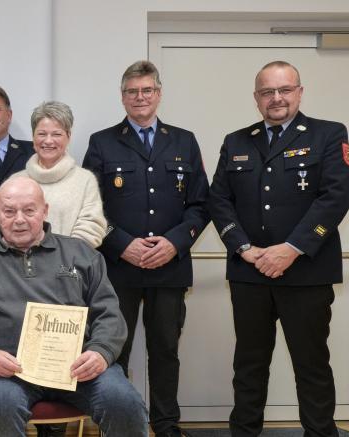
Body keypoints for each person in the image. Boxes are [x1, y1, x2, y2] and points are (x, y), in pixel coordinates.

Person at [208, 60, 349, 437]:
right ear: (256, 98)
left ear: (299, 92)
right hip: (249, 272)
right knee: (249, 365)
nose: (276, 98)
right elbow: (219, 200)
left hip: (306, 272)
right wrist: (243, 248)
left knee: (312, 365)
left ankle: (320, 433)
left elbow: (337, 196)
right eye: (267, 92)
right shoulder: (237, 141)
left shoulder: (327, 134)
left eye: (284, 90)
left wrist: (291, 248)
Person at [0, 176, 148, 436]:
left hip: (79, 369)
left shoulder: (82, 254)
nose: (19, 219)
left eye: (29, 210)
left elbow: (109, 313)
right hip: (11, 372)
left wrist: (100, 352)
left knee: (125, 402)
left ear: (44, 210)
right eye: (9, 211)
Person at [82, 60, 209, 437]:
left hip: (169, 267)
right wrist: (122, 245)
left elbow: (201, 204)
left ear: (158, 93)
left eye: (147, 90)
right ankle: (114, 423)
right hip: (118, 270)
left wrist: (174, 242)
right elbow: (91, 207)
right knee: (113, 349)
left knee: (166, 350)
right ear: (122, 97)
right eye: (132, 91)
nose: (140, 98)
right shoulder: (101, 142)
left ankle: (167, 425)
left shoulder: (183, 140)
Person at [11, 101, 106, 249]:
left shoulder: (85, 180)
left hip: (68, 267)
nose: (48, 141)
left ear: (68, 137)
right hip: (20, 268)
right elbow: (1, 226)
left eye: (57, 134)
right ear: (33, 137)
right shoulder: (15, 181)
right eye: (42, 134)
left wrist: (58, 261)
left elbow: (92, 229)